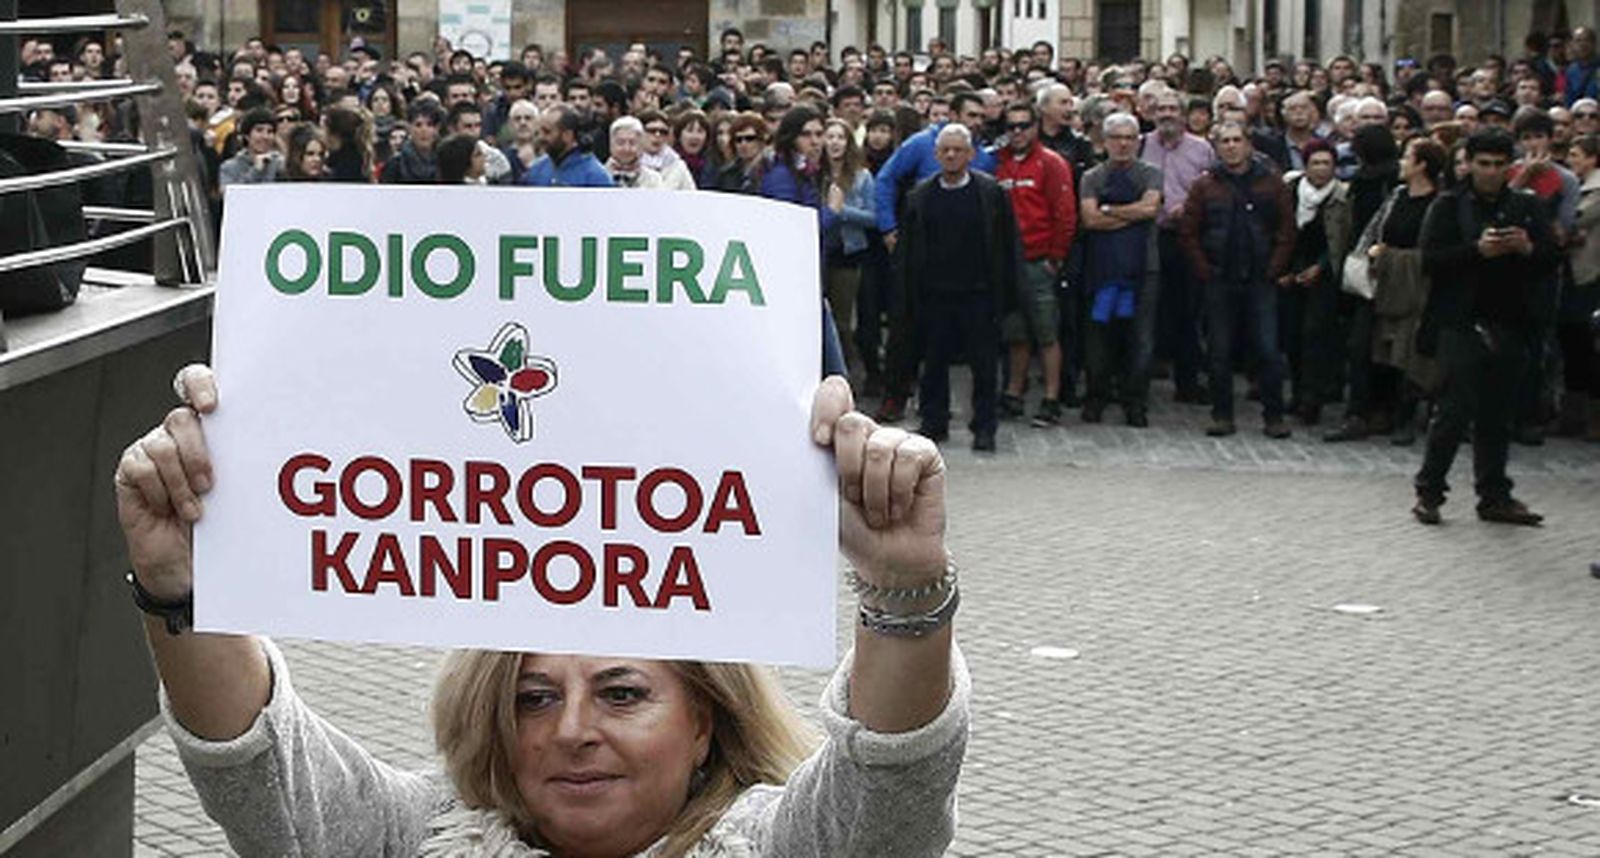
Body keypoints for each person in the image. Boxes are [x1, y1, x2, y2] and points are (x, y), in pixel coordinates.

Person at [113, 368, 967, 858]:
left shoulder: (779, 847)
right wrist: (187, 585)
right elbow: (262, 773)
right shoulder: (414, 836)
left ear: (704, 720)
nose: (572, 731)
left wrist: (903, 588)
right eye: (534, 697)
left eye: (623, 691)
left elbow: (891, 787)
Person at [1413, 128, 1560, 526]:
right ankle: (1430, 491)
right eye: (1484, 164)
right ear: (1470, 164)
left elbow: (1551, 257)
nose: (1491, 172)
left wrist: (1527, 248)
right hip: (1460, 322)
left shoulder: (1525, 206)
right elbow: (1429, 261)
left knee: (1498, 415)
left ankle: (1494, 495)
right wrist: (1475, 251)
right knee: (1453, 412)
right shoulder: (1448, 206)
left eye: (1499, 165)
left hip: (1511, 322)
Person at [892, 124, 1021, 452]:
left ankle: (984, 426)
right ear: (936, 155)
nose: (951, 155)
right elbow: (907, 252)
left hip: (979, 293)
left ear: (971, 154)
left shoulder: (991, 193)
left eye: (958, 150)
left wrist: (1008, 293)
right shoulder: (919, 196)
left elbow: (1008, 246)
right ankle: (934, 421)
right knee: (933, 363)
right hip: (934, 295)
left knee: (984, 366)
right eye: (945, 150)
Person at [1177, 121, 1296, 439]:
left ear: (1248, 144)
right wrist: (1204, 268)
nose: (1231, 146)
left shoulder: (1272, 184)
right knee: (1219, 352)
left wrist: (1275, 267)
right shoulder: (1205, 186)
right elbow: (1189, 232)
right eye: (1224, 141)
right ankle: (1222, 414)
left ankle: (1274, 415)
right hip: (1219, 277)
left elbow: (1286, 230)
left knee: (1268, 350)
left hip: (1260, 277)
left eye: (1236, 140)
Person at [994, 100, 1077, 427]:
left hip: (1038, 261)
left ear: (1036, 127)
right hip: (1008, 264)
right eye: (1011, 126)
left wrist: (1055, 258)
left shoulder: (1051, 163)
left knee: (1046, 333)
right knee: (1016, 333)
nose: (1017, 132)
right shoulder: (997, 162)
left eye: (1023, 125)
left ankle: (1051, 397)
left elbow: (1065, 215)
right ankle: (1014, 393)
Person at [1078, 112, 1163, 427]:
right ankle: (1096, 397)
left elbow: (1151, 208)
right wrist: (1132, 214)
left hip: (1145, 268)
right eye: (1117, 138)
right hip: (1101, 269)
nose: (1124, 144)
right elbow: (1090, 220)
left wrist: (1109, 209)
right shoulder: (1092, 177)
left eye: (1130, 138)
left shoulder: (1151, 174)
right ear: (1105, 141)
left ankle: (1136, 401)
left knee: (1140, 339)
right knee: (1098, 338)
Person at [1365, 137, 1446, 447]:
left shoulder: (1438, 204)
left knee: (1411, 352)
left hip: (1418, 287)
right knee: (1383, 349)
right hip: (1388, 286)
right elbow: (1378, 229)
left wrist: (1394, 257)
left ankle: (1407, 416)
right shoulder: (1397, 196)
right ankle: (1381, 410)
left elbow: (1432, 249)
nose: (1401, 162)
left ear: (1422, 165)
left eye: (1408, 157)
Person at [1141, 89, 1215, 405]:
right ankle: (1140, 381)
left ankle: (1187, 381)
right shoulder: (1141, 144)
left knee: (1188, 310)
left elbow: (1213, 188)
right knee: (1149, 309)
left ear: (1184, 114)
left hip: (1187, 237)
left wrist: (1189, 206)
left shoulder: (1202, 149)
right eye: (1161, 108)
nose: (1167, 113)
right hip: (1150, 235)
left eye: (1173, 108)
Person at [1278, 139, 1350, 426]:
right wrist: (1282, 269)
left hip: (1325, 275)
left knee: (1316, 336)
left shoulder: (1343, 196)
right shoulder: (1291, 192)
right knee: (1293, 337)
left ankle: (1313, 398)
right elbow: (1281, 232)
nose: (1321, 169)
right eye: (1315, 163)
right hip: (1291, 272)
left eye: (1326, 163)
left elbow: (1343, 239)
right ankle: (1296, 393)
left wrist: (1319, 268)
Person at [820, 118, 876, 374]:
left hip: (848, 253)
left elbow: (873, 217)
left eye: (840, 137)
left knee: (842, 321)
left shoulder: (862, 176)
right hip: (820, 251)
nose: (834, 142)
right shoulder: (813, 174)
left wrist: (841, 211)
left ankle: (846, 373)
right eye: (829, 136)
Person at [1558, 133, 1600, 441]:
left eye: (1576, 154)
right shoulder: (1575, 187)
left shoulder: (1595, 190)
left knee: (1586, 345)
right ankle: (1574, 413)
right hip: (1571, 272)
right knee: (1572, 343)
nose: (1571, 161)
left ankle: (1590, 417)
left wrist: (1565, 232)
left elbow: (1573, 222)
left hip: (1589, 272)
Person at [520, 104, 612, 188]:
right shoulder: (537, 169)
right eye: (539, 131)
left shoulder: (595, 176)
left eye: (547, 132)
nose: (541, 137)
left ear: (567, 135)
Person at [381, 101, 444, 184]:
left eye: (429, 125)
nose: (423, 130)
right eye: (418, 125)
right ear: (410, 128)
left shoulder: (446, 163)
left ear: (437, 128)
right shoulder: (395, 165)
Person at [217, 108, 283, 187]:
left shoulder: (280, 164)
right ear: (247, 135)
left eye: (270, 131)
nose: (265, 136)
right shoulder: (229, 167)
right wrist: (256, 170)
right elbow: (231, 195)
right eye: (259, 130)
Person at [637, 109, 698, 191]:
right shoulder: (628, 164)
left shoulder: (678, 166)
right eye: (652, 131)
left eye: (663, 132)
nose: (657, 135)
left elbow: (692, 195)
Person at [605, 116, 665, 189]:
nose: (626, 149)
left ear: (641, 145)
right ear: (611, 144)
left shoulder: (653, 179)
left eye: (632, 143)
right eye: (620, 143)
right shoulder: (598, 176)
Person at [715, 112, 768, 195]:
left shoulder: (772, 171)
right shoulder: (726, 174)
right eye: (738, 140)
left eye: (749, 138)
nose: (743, 144)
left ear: (761, 140)